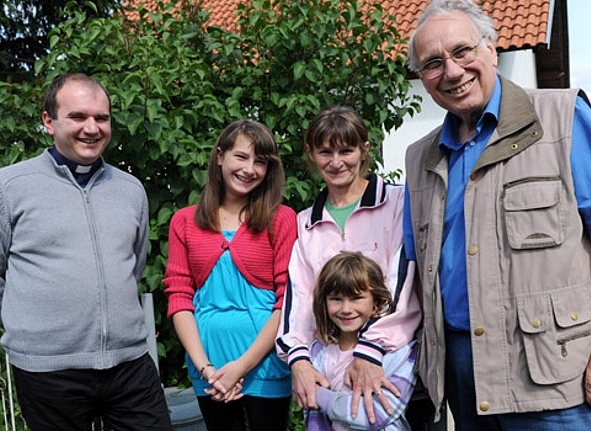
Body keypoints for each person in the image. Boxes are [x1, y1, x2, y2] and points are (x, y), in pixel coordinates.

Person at [402, 0, 591, 429]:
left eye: (462, 51)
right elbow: (418, 271)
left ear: (490, 49)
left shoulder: (562, 119)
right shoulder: (420, 157)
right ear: (422, 78)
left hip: (551, 371)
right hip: (461, 371)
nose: (452, 72)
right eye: (433, 63)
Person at [0, 73, 171, 430]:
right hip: (48, 372)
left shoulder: (130, 189)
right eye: (77, 116)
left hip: (129, 364)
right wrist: (32, 327)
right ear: (49, 121)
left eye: (101, 118)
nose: (92, 128)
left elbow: (132, 267)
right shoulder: (7, 187)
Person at [276, 105, 423, 426]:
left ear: (365, 150)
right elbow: (300, 297)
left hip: (388, 357)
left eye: (346, 151)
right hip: (329, 361)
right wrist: (299, 361)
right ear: (311, 154)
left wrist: (370, 349)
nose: (336, 162)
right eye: (325, 152)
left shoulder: (398, 202)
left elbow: (403, 284)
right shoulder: (306, 222)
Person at [164, 120, 296, 430]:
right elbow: (179, 298)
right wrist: (206, 368)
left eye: (260, 161)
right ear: (220, 156)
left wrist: (241, 367)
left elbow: (288, 301)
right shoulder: (183, 222)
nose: (250, 169)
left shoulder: (281, 218)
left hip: (265, 366)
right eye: (241, 156)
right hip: (209, 368)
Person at [305, 251, 417, 431]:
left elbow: (377, 415)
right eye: (336, 299)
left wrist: (319, 394)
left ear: (376, 301)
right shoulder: (318, 352)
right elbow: (313, 417)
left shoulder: (398, 351)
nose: (346, 309)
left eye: (357, 298)